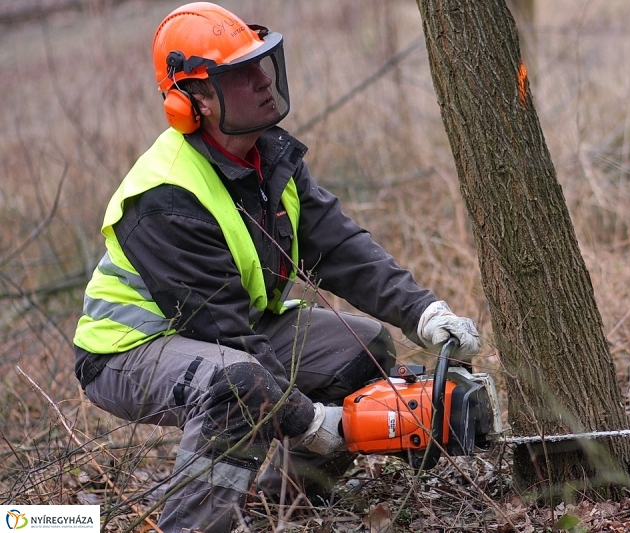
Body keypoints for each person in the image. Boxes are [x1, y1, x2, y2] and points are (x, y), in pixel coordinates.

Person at [72, 3, 481, 532]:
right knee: (238, 385)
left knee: (362, 349)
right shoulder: (165, 196)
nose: (263, 81)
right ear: (195, 99)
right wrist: (309, 421)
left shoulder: (269, 159)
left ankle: (280, 507)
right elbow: (223, 333)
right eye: (241, 75)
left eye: (261, 66)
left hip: (227, 332)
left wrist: (423, 312)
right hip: (130, 353)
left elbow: (338, 246)